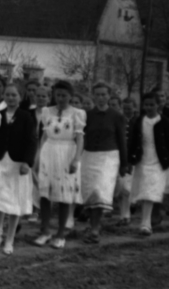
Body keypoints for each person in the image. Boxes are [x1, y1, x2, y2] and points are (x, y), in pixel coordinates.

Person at [0, 76, 39, 255]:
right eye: (8, 95)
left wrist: (27, 163)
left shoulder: (27, 117)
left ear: (20, 97)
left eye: (14, 95)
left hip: (18, 164)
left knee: (14, 203)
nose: (11, 98)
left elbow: (32, 141)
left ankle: (9, 240)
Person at [32, 80, 85, 249]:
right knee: (45, 194)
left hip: (67, 153)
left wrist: (76, 159)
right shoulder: (47, 111)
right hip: (49, 152)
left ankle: (60, 234)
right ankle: (45, 231)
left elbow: (80, 139)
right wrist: (38, 157)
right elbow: (45, 136)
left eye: (64, 95)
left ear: (71, 96)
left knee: (65, 196)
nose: (61, 98)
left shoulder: (78, 113)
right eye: (58, 95)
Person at [77, 81, 129, 244]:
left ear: (109, 96)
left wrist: (124, 164)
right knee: (91, 192)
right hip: (89, 156)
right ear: (93, 95)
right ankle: (93, 225)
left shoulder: (117, 116)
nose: (100, 98)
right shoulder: (87, 115)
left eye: (104, 94)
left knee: (100, 191)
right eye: (97, 94)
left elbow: (122, 141)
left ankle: (94, 229)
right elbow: (81, 138)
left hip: (109, 157)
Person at [127, 91, 167, 237]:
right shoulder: (139, 121)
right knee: (143, 189)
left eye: (152, 104)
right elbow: (133, 140)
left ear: (158, 105)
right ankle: (143, 217)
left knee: (151, 190)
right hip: (142, 159)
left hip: (158, 160)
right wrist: (130, 160)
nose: (149, 107)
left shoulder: (165, 122)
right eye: (146, 104)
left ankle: (146, 223)